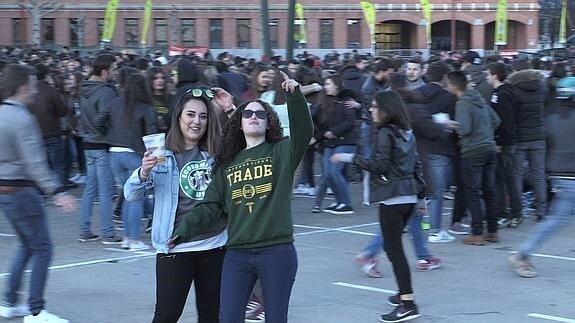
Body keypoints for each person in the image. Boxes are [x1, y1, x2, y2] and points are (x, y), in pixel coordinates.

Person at [169, 72, 312, 323]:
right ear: (240, 122)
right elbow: (211, 205)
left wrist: (295, 97)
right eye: (248, 114)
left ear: (269, 122)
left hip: (276, 251)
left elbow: (303, 132)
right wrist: (184, 229)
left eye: (261, 114)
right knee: (229, 318)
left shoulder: (282, 152)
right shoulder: (227, 163)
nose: (254, 117)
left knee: (276, 318)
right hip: (237, 254)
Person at [125, 86, 228, 322]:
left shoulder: (216, 152)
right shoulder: (162, 154)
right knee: (166, 315)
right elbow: (131, 195)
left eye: (203, 116)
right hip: (174, 248)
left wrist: (229, 109)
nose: (196, 122)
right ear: (179, 117)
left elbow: (246, 139)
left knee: (212, 316)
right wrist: (143, 172)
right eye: (190, 115)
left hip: (214, 246)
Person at [332, 90, 426, 322]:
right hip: (408, 196)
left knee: (395, 252)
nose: (371, 110)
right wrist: (422, 197)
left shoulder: (385, 131)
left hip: (392, 198)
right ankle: (403, 294)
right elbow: (416, 166)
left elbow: (381, 165)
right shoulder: (406, 131)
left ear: (386, 109)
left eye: (374, 107)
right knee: (396, 249)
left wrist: (349, 158)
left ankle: (408, 302)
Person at [0, 64, 76, 323]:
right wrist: (56, 191)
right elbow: (35, 162)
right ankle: (36, 310)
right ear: (22, 87)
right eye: (32, 85)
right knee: (42, 248)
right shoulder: (22, 119)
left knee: (28, 245)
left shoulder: (2, 114)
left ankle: (10, 301)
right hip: (22, 190)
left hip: (6, 191)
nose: (35, 90)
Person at [508, 76, 575, 278]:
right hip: (569, 175)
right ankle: (522, 254)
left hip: (560, 174)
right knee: (557, 219)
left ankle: (523, 254)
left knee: (557, 219)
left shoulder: (551, 115)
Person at [95, 71, 158, 250]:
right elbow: (152, 135)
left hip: (114, 153)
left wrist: (109, 136)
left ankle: (127, 238)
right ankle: (134, 239)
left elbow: (98, 122)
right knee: (136, 198)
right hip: (134, 154)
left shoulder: (114, 103)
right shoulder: (145, 108)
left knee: (129, 194)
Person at [446, 71, 501, 246]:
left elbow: (465, 129)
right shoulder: (478, 98)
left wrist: (451, 125)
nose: (446, 86)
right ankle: (492, 231)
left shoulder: (462, 103)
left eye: (448, 84)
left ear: (455, 86)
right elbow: (496, 120)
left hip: (472, 150)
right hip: (489, 148)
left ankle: (477, 233)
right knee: (489, 190)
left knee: (472, 191)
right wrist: (485, 132)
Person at [77, 53, 120, 243]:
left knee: (90, 189)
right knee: (105, 190)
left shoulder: (84, 88)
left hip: (87, 142)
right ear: (105, 72)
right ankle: (108, 231)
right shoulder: (106, 92)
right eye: (114, 69)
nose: (116, 72)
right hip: (101, 142)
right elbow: (107, 118)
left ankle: (84, 229)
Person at [312, 75, 358, 215]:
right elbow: (319, 123)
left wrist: (334, 131)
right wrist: (318, 137)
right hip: (329, 143)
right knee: (328, 174)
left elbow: (350, 121)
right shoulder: (324, 103)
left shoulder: (346, 100)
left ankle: (346, 203)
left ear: (337, 85)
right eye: (325, 84)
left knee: (334, 171)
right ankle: (339, 202)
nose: (326, 87)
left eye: (328, 84)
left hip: (345, 140)